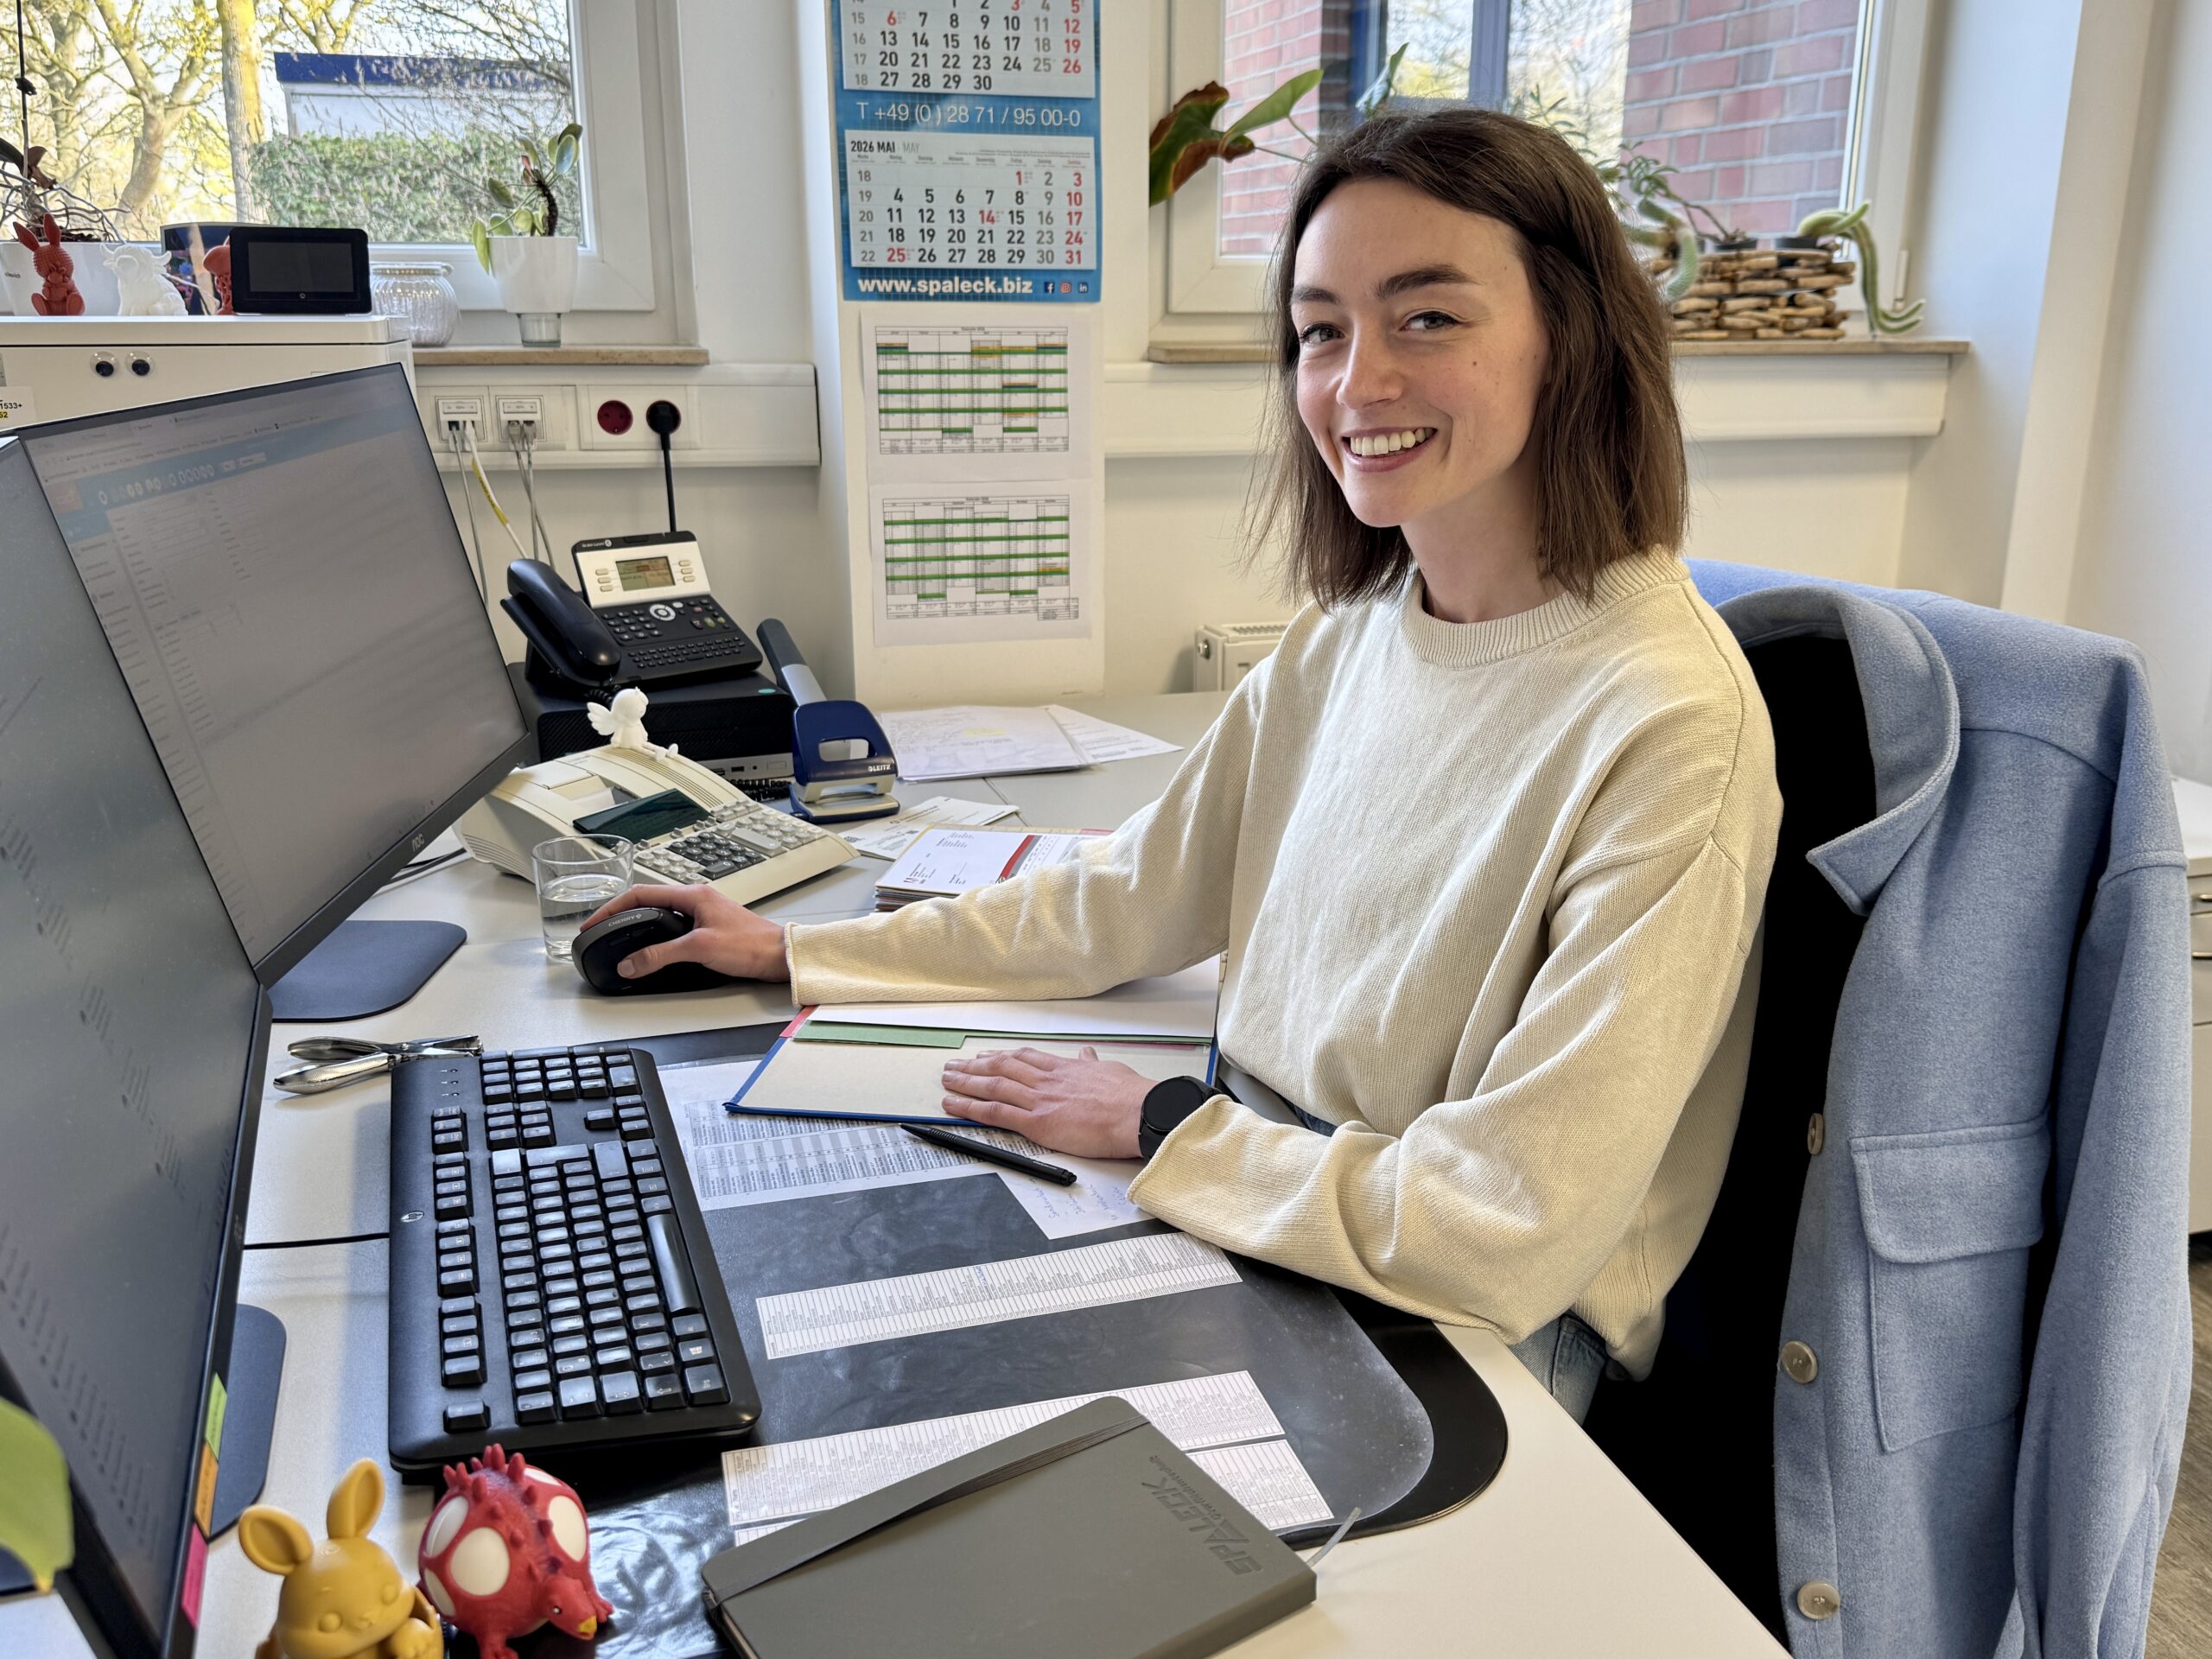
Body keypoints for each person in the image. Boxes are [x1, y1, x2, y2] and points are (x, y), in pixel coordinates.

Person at [585, 107, 1782, 1422]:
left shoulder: (1670, 725)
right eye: (1320, 331)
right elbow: (1125, 898)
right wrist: (794, 950)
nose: (1357, 381)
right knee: (820, 1338)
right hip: (1262, 1176)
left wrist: (1160, 1128)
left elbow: (1506, 1226)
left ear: (1576, 337)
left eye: (1428, 317)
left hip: (1469, 1326)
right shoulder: (1350, 634)